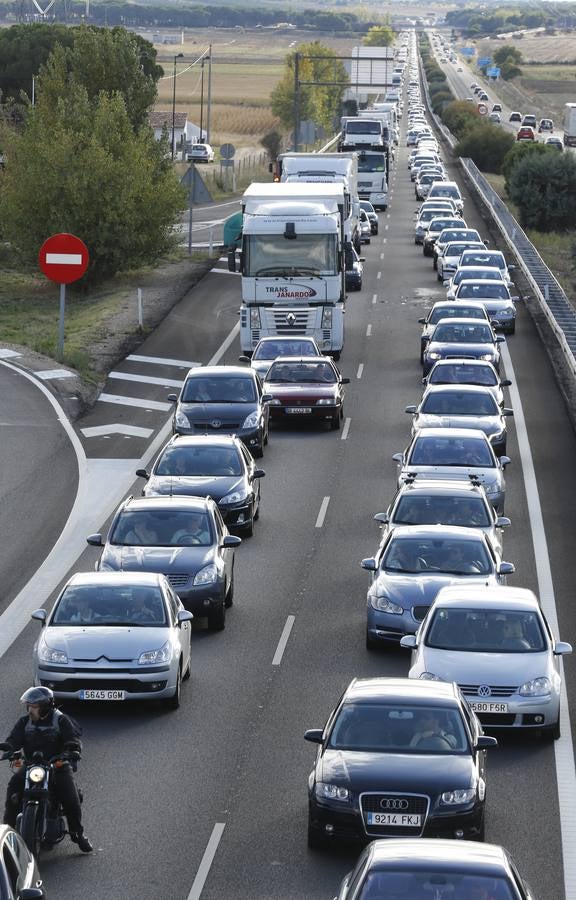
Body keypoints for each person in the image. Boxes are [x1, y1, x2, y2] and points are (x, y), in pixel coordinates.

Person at [1, 687, 93, 852]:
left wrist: (72, 749)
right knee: (13, 790)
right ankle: (7, 834)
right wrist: (8, 748)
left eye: (34, 707)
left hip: (57, 766)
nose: (30, 710)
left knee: (71, 799)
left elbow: (72, 738)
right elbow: (13, 739)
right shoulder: (24, 722)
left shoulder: (61, 721)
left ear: (45, 706)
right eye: (28, 706)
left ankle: (77, 834)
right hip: (31, 765)